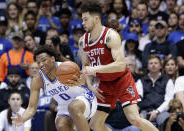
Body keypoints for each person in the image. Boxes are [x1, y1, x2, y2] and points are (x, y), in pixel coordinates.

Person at [74, 1, 158, 131]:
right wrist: (90, 85)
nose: (82, 23)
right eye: (82, 20)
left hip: (122, 80)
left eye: (85, 19)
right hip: (105, 83)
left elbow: (120, 65)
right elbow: (86, 67)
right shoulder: (82, 42)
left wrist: (95, 69)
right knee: (95, 125)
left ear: (96, 19)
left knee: (134, 119)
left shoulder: (111, 36)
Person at [11, 45, 97, 131]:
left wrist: (82, 81)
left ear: (52, 59)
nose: (41, 64)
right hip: (65, 105)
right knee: (61, 124)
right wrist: (22, 119)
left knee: (73, 107)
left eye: (44, 60)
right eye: (38, 62)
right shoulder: (37, 80)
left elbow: (86, 80)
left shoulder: (67, 67)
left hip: (86, 100)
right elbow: (31, 108)